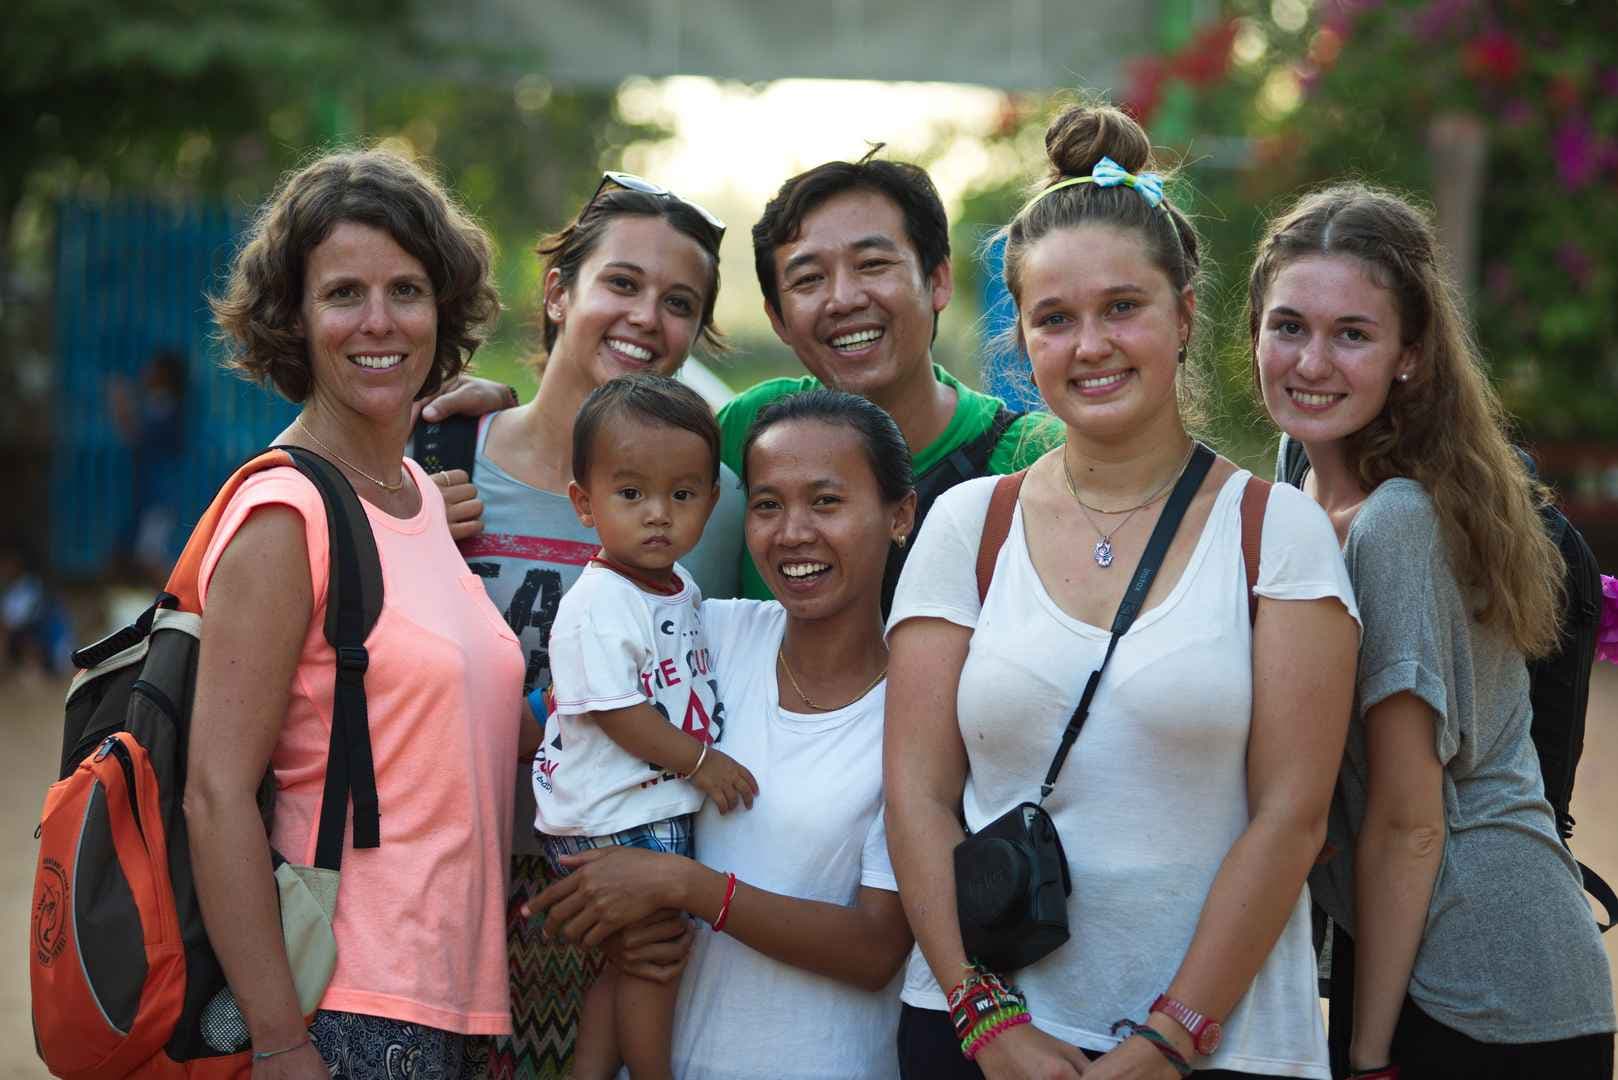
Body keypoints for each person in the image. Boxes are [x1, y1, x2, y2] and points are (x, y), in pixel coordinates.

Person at [883, 104, 1361, 1080]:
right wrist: (987, 1021)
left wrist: (1166, 1038)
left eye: (1122, 308)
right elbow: (917, 794)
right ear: (1021, 337)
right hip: (978, 1036)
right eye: (1054, 318)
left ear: (1184, 315)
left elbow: (1291, 818)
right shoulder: (966, 527)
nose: (1089, 345)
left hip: (1221, 1048)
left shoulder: (1279, 535)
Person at [1250, 183, 1616, 1079]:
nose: (1312, 362)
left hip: (1486, 992)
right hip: (1421, 963)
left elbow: (1409, 823)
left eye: (1353, 334)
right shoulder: (1296, 485)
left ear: (1409, 356)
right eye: (1289, 325)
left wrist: (1367, 1051)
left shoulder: (1400, 523)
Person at [186, 147, 527, 1077]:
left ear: (442, 309)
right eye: (343, 294)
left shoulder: (415, 491)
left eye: (407, 291)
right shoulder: (283, 513)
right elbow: (214, 797)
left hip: (458, 1004)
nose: (379, 322)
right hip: (347, 1009)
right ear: (294, 318)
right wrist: (282, 1042)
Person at [421, 151, 1060, 610]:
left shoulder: (1031, 458)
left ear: (939, 279)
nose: (844, 299)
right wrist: (468, 424)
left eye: (872, 264)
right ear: (779, 320)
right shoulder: (752, 435)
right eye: (808, 279)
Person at [435, 172, 744, 1080]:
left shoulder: (711, 509)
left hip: (622, 913)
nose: (647, 316)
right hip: (446, 894)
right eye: (622, 283)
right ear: (560, 292)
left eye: (678, 302)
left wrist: (665, 888)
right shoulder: (439, 457)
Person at [528, 389, 918, 1080]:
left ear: (898, 515)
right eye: (767, 505)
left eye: (825, 501)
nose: (792, 531)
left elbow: (875, 949)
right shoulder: (705, 630)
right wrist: (606, 909)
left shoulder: (920, 706)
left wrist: (681, 886)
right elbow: (571, 722)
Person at [536, 374, 758, 1080]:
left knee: (628, 962)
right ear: (584, 503)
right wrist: (703, 763)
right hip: (615, 812)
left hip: (635, 803)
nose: (658, 515)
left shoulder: (679, 585)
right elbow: (616, 711)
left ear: (711, 502)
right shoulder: (601, 599)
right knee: (655, 964)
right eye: (631, 495)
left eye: (682, 495)